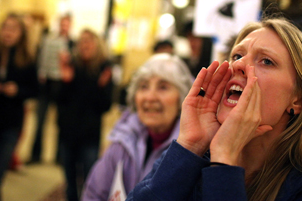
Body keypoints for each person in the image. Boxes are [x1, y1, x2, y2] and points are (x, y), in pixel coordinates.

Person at [126, 18, 302, 200]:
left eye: (266, 61)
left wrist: (225, 162)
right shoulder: (191, 159)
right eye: (237, 55)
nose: (239, 65)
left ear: (297, 101)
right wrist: (191, 143)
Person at [81, 53, 194, 201]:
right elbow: (94, 194)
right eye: (143, 86)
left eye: (163, 87)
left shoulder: (191, 151)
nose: (150, 97)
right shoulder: (123, 138)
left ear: (183, 98)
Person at [0, 14, 39, 201]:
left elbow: (35, 90)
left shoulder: (27, 58)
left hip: (10, 123)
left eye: (14, 28)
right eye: (5, 27)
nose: (8, 32)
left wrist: (17, 90)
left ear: (21, 33)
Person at [58, 29, 114, 201]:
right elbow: (59, 99)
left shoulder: (104, 69)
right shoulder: (71, 66)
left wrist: (101, 87)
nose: (85, 44)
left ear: (97, 45)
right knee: (69, 178)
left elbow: (105, 106)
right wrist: (65, 81)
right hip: (68, 133)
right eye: (82, 41)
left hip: (89, 134)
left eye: (89, 41)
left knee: (90, 179)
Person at [29, 14, 75, 164]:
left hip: (64, 88)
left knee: (61, 123)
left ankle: (59, 157)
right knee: (40, 121)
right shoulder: (49, 40)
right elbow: (41, 59)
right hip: (47, 85)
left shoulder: (73, 45)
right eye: (62, 24)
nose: (64, 27)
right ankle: (35, 154)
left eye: (67, 24)